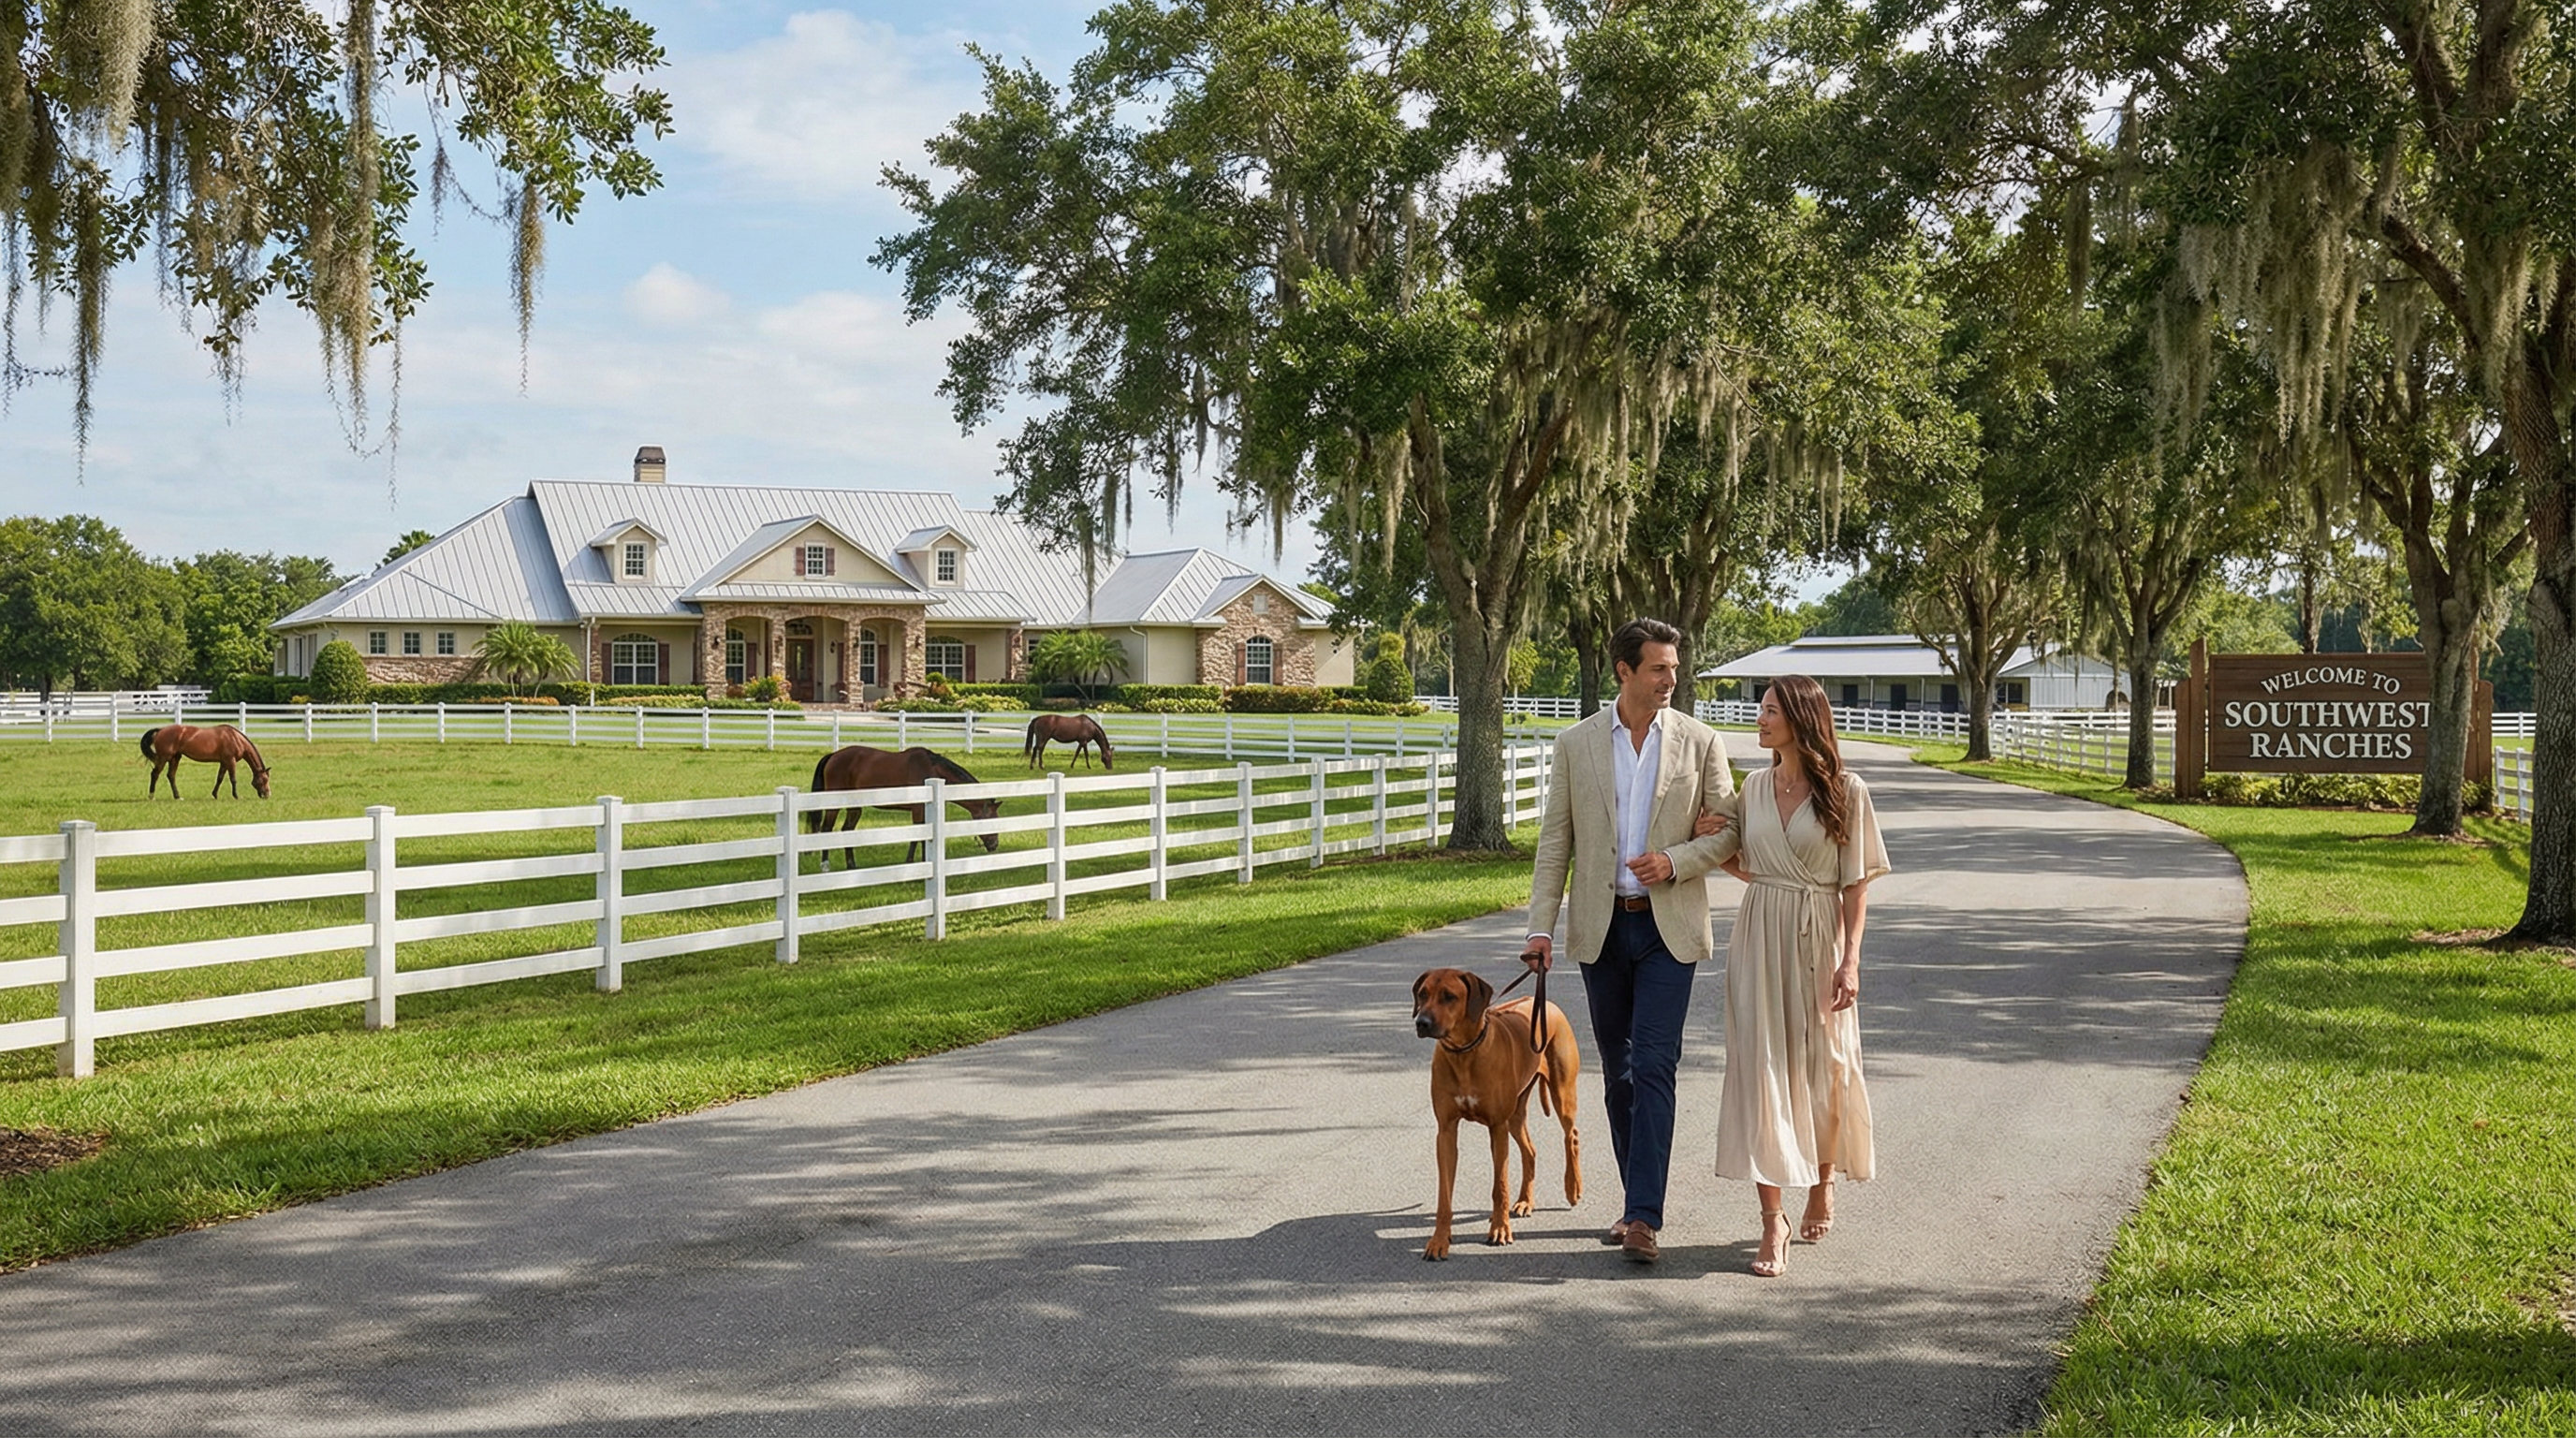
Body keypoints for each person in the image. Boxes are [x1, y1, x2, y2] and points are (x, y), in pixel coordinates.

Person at [1523, 617, 1740, 1264]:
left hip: (1667, 929)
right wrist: (1540, 926)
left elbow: (1727, 831)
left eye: (1675, 668)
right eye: (1658, 669)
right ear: (1624, 671)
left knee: (1653, 1065)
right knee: (1617, 1075)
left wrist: (1676, 860)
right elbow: (1555, 841)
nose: (1671, 679)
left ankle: (1645, 1217)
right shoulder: (1577, 743)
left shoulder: (1701, 742)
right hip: (1601, 927)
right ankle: (1631, 1203)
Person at [1706, 673, 1890, 1278]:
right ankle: (1771, 1222)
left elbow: (1856, 881)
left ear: (1800, 719)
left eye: (1768, 711)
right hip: (1759, 934)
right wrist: (1736, 860)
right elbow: (1733, 852)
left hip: (1819, 935)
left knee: (1822, 1067)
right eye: (1758, 710)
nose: (1758, 720)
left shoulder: (1845, 789)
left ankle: (1822, 1181)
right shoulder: (1752, 787)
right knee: (1760, 1071)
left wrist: (1851, 959)